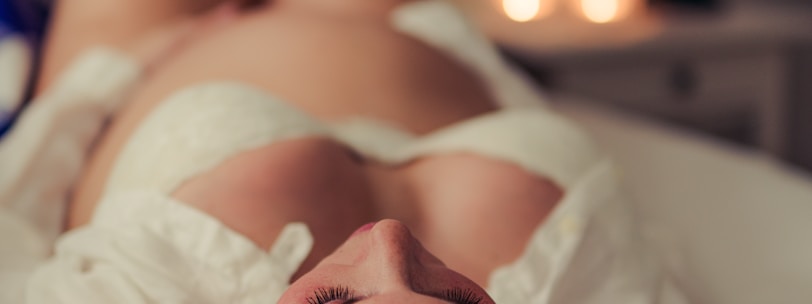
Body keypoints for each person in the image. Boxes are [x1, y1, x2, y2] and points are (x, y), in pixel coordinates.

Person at [0, 0, 660, 303]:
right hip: (396, 25)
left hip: (155, 49)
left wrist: (114, 74)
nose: (391, 243)